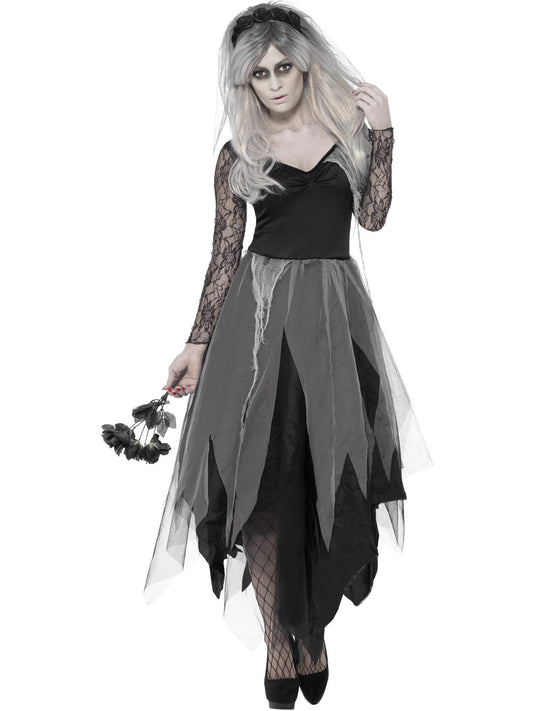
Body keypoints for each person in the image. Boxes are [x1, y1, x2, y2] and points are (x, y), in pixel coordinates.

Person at [144, 3, 433, 708]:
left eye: (283, 68)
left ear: (305, 67)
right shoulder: (239, 153)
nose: (274, 84)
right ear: (243, 81)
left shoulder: (347, 133)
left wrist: (384, 133)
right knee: (266, 478)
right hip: (258, 323)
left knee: (328, 473)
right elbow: (223, 256)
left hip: (334, 321)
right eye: (260, 74)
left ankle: (314, 631)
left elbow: (372, 218)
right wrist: (196, 342)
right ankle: (282, 641)